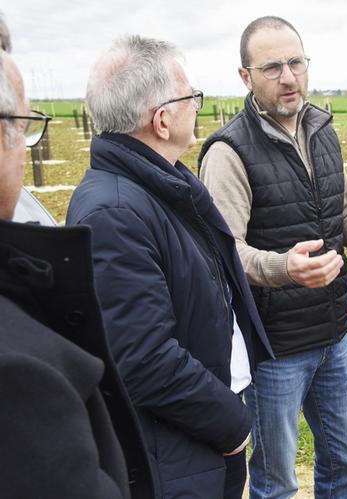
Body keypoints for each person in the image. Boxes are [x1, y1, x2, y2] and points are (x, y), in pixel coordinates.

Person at [198, 16, 347, 498]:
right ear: (245, 77)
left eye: (296, 62)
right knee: (276, 481)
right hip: (274, 348)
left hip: (332, 336)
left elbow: (345, 217)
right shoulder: (229, 152)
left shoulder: (322, 130)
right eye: (272, 67)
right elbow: (223, 252)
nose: (288, 76)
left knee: (344, 463)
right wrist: (284, 268)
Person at [66, 35, 273, 499]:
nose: (197, 105)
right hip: (176, 455)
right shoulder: (116, 212)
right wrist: (232, 426)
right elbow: (141, 358)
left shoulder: (158, 186)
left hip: (195, 437)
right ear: (161, 119)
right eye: (191, 96)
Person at [0, 13, 153, 498]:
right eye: (25, 126)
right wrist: (229, 422)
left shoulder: (172, 188)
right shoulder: (20, 377)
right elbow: (144, 344)